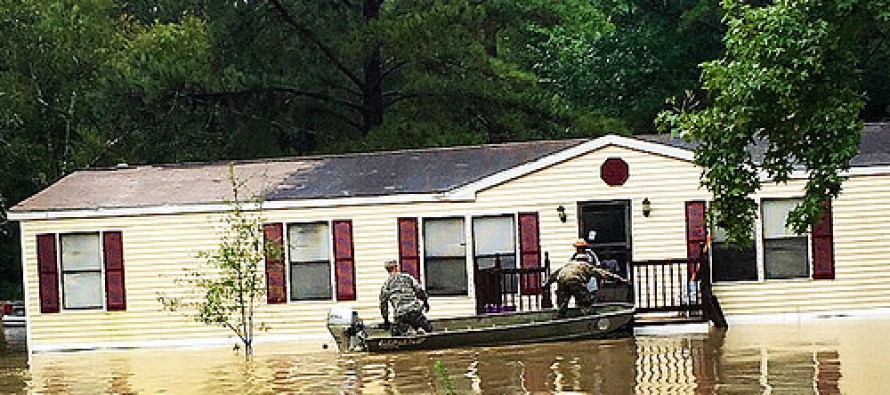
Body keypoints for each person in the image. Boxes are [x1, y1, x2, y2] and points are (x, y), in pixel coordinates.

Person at [544, 256, 628, 317]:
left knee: (562, 304)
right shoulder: (586, 265)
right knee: (585, 301)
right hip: (575, 280)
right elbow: (605, 274)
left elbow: (553, 276)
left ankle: (560, 318)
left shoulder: (568, 265)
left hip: (561, 280)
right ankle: (587, 318)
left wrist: (545, 284)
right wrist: (621, 280)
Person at [379, 259, 432, 336]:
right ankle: (419, 329)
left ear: (387, 270)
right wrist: (425, 302)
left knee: (396, 334)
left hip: (401, 315)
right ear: (397, 267)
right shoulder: (407, 278)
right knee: (428, 330)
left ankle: (408, 332)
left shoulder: (386, 285)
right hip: (415, 312)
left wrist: (386, 320)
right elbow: (419, 291)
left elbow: (383, 305)